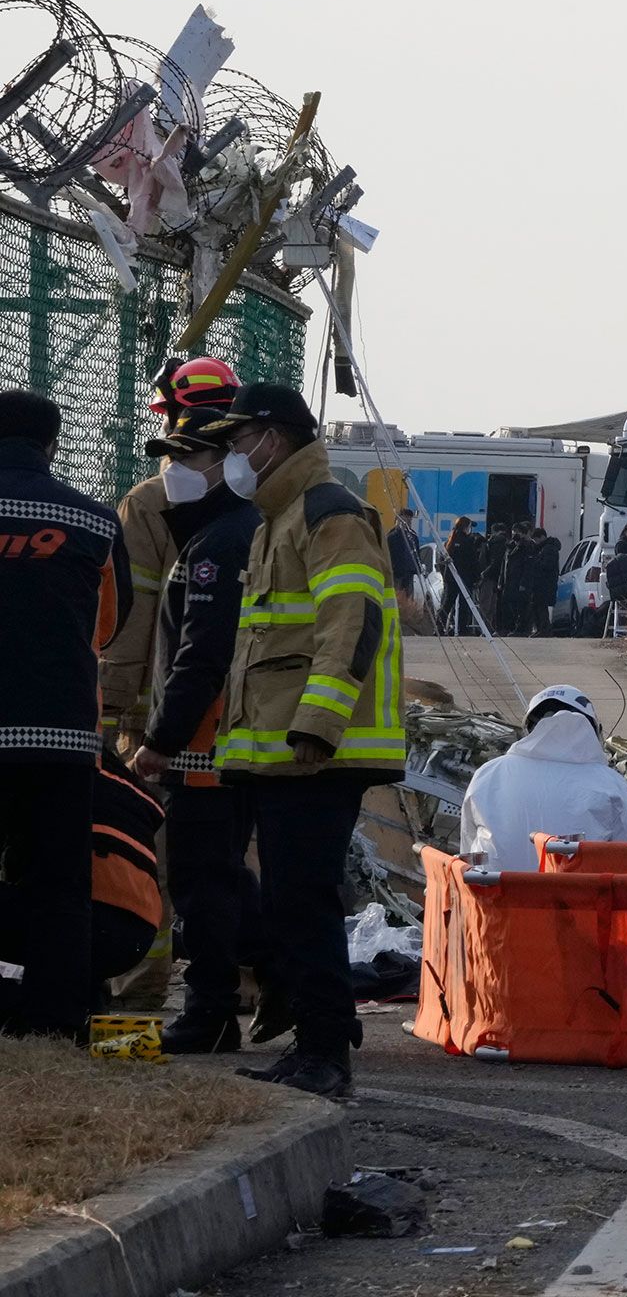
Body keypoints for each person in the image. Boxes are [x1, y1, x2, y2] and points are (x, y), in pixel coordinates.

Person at [198, 382, 405, 1097]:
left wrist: (316, 723)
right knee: (292, 899)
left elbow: (352, 623)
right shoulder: (278, 517)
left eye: (237, 441)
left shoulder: (328, 513)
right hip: (285, 756)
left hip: (319, 753)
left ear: (274, 439)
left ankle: (325, 1052)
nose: (231, 456)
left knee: (304, 898)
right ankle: (318, 1040)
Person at [124, 407, 267, 1054]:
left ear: (227, 465)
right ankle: (282, 976)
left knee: (201, 884)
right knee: (224, 880)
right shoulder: (219, 534)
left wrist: (158, 739)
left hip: (204, 750)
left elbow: (201, 658)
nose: (176, 472)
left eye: (190, 458)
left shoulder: (219, 544)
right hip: (217, 746)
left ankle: (210, 1012)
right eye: (172, 459)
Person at [0, 390, 130, 1039]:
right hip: (61, 735)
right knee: (59, 884)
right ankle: (54, 1024)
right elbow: (107, 627)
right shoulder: (95, 521)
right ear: (53, 446)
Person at [100, 359, 238, 746]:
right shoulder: (264, 496)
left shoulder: (148, 501)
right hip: (242, 711)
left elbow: (130, 609)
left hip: (157, 713)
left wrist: (110, 706)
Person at [0, 756, 162, 1031]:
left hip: (75, 922)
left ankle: (25, 1004)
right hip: (136, 934)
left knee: (55, 902)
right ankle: (86, 998)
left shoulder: (33, 764)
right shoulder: (111, 776)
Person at [459, 686, 627, 871]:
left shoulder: (489, 773)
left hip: (493, 896)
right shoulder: (611, 783)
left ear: (529, 729)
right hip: (579, 897)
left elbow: (468, 854)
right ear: (594, 730)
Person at [444, 518, 484, 634]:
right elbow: (472, 561)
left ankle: (439, 626)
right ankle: (462, 629)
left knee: (447, 603)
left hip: (451, 578)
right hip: (465, 577)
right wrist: (477, 577)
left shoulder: (450, 541)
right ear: (465, 527)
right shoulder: (468, 541)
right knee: (464, 604)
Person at [385, 507, 421, 604]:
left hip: (409, 573)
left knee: (409, 599)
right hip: (397, 573)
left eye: (410, 520)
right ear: (399, 519)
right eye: (406, 519)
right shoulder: (391, 536)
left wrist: (417, 567)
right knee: (396, 598)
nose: (408, 522)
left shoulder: (413, 536)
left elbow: (417, 553)